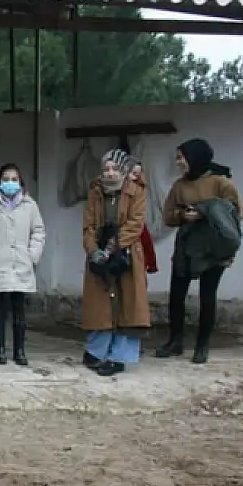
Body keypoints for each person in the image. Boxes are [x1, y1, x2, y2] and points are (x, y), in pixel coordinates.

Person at [156, 139, 243, 364]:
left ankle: (202, 346)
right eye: (177, 157)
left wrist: (206, 213)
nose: (178, 162)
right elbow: (167, 216)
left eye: (181, 157)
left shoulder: (221, 183)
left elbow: (238, 212)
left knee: (208, 296)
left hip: (212, 248)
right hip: (186, 247)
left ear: (195, 157)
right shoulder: (179, 186)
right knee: (176, 295)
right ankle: (175, 341)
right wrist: (182, 216)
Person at [81, 149, 151, 376]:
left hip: (127, 251)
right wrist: (93, 251)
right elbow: (89, 224)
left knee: (128, 302)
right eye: (106, 169)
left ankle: (120, 356)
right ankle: (97, 350)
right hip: (99, 250)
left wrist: (112, 247)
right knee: (100, 302)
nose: (110, 173)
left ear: (123, 169)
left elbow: (135, 223)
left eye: (115, 168)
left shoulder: (136, 191)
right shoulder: (95, 192)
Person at [0, 164, 46, 366]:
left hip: (21, 264)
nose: (10, 183)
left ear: (20, 183)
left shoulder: (30, 206)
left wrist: (32, 256)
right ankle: (0, 349)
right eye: (6, 179)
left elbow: (38, 232)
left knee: (19, 311)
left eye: (14, 179)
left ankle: (20, 350)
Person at [129, 163, 159, 275]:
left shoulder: (140, 190)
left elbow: (146, 241)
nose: (136, 175)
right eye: (133, 172)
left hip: (136, 226)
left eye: (138, 173)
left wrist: (151, 264)